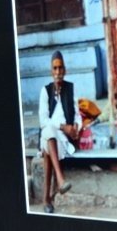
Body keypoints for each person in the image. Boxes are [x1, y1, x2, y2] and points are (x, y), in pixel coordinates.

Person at [38, 50, 80, 213]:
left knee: (48, 148)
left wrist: (75, 127)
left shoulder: (70, 88)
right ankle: (60, 179)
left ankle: (46, 199)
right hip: (51, 135)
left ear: (65, 69)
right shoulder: (45, 91)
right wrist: (63, 126)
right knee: (49, 131)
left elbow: (77, 115)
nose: (58, 72)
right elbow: (43, 120)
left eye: (60, 68)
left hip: (63, 140)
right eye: (55, 68)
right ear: (51, 71)